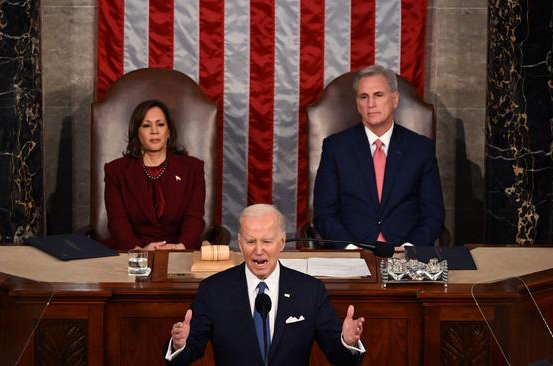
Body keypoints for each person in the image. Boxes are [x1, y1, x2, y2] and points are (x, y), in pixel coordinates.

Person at [165, 204, 365, 365]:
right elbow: (185, 356)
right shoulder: (214, 290)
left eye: (267, 241)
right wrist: (178, 344)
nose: (258, 250)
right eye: (251, 241)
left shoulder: (310, 291)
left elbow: (341, 358)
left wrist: (348, 343)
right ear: (240, 243)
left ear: (281, 242)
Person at [313, 65, 445, 247]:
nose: (371, 104)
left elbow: (433, 215)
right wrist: (349, 249)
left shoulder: (420, 148)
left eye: (378, 95)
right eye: (364, 97)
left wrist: (410, 247)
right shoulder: (335, 148)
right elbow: (324, 214)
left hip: (404, 253)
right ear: (357, 103)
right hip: (351, 254)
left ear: (395, 99)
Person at [104, 99, 205, 250]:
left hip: (181, 251)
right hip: (133, 252)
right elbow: (117, 221)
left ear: (169, 131)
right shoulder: (116, 171)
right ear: (136, 132)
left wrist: (181, 247)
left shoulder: (192, 168)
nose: (154, 131)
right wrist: (138, 251)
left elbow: (194, 217)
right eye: (146, 125)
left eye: (160, 124)